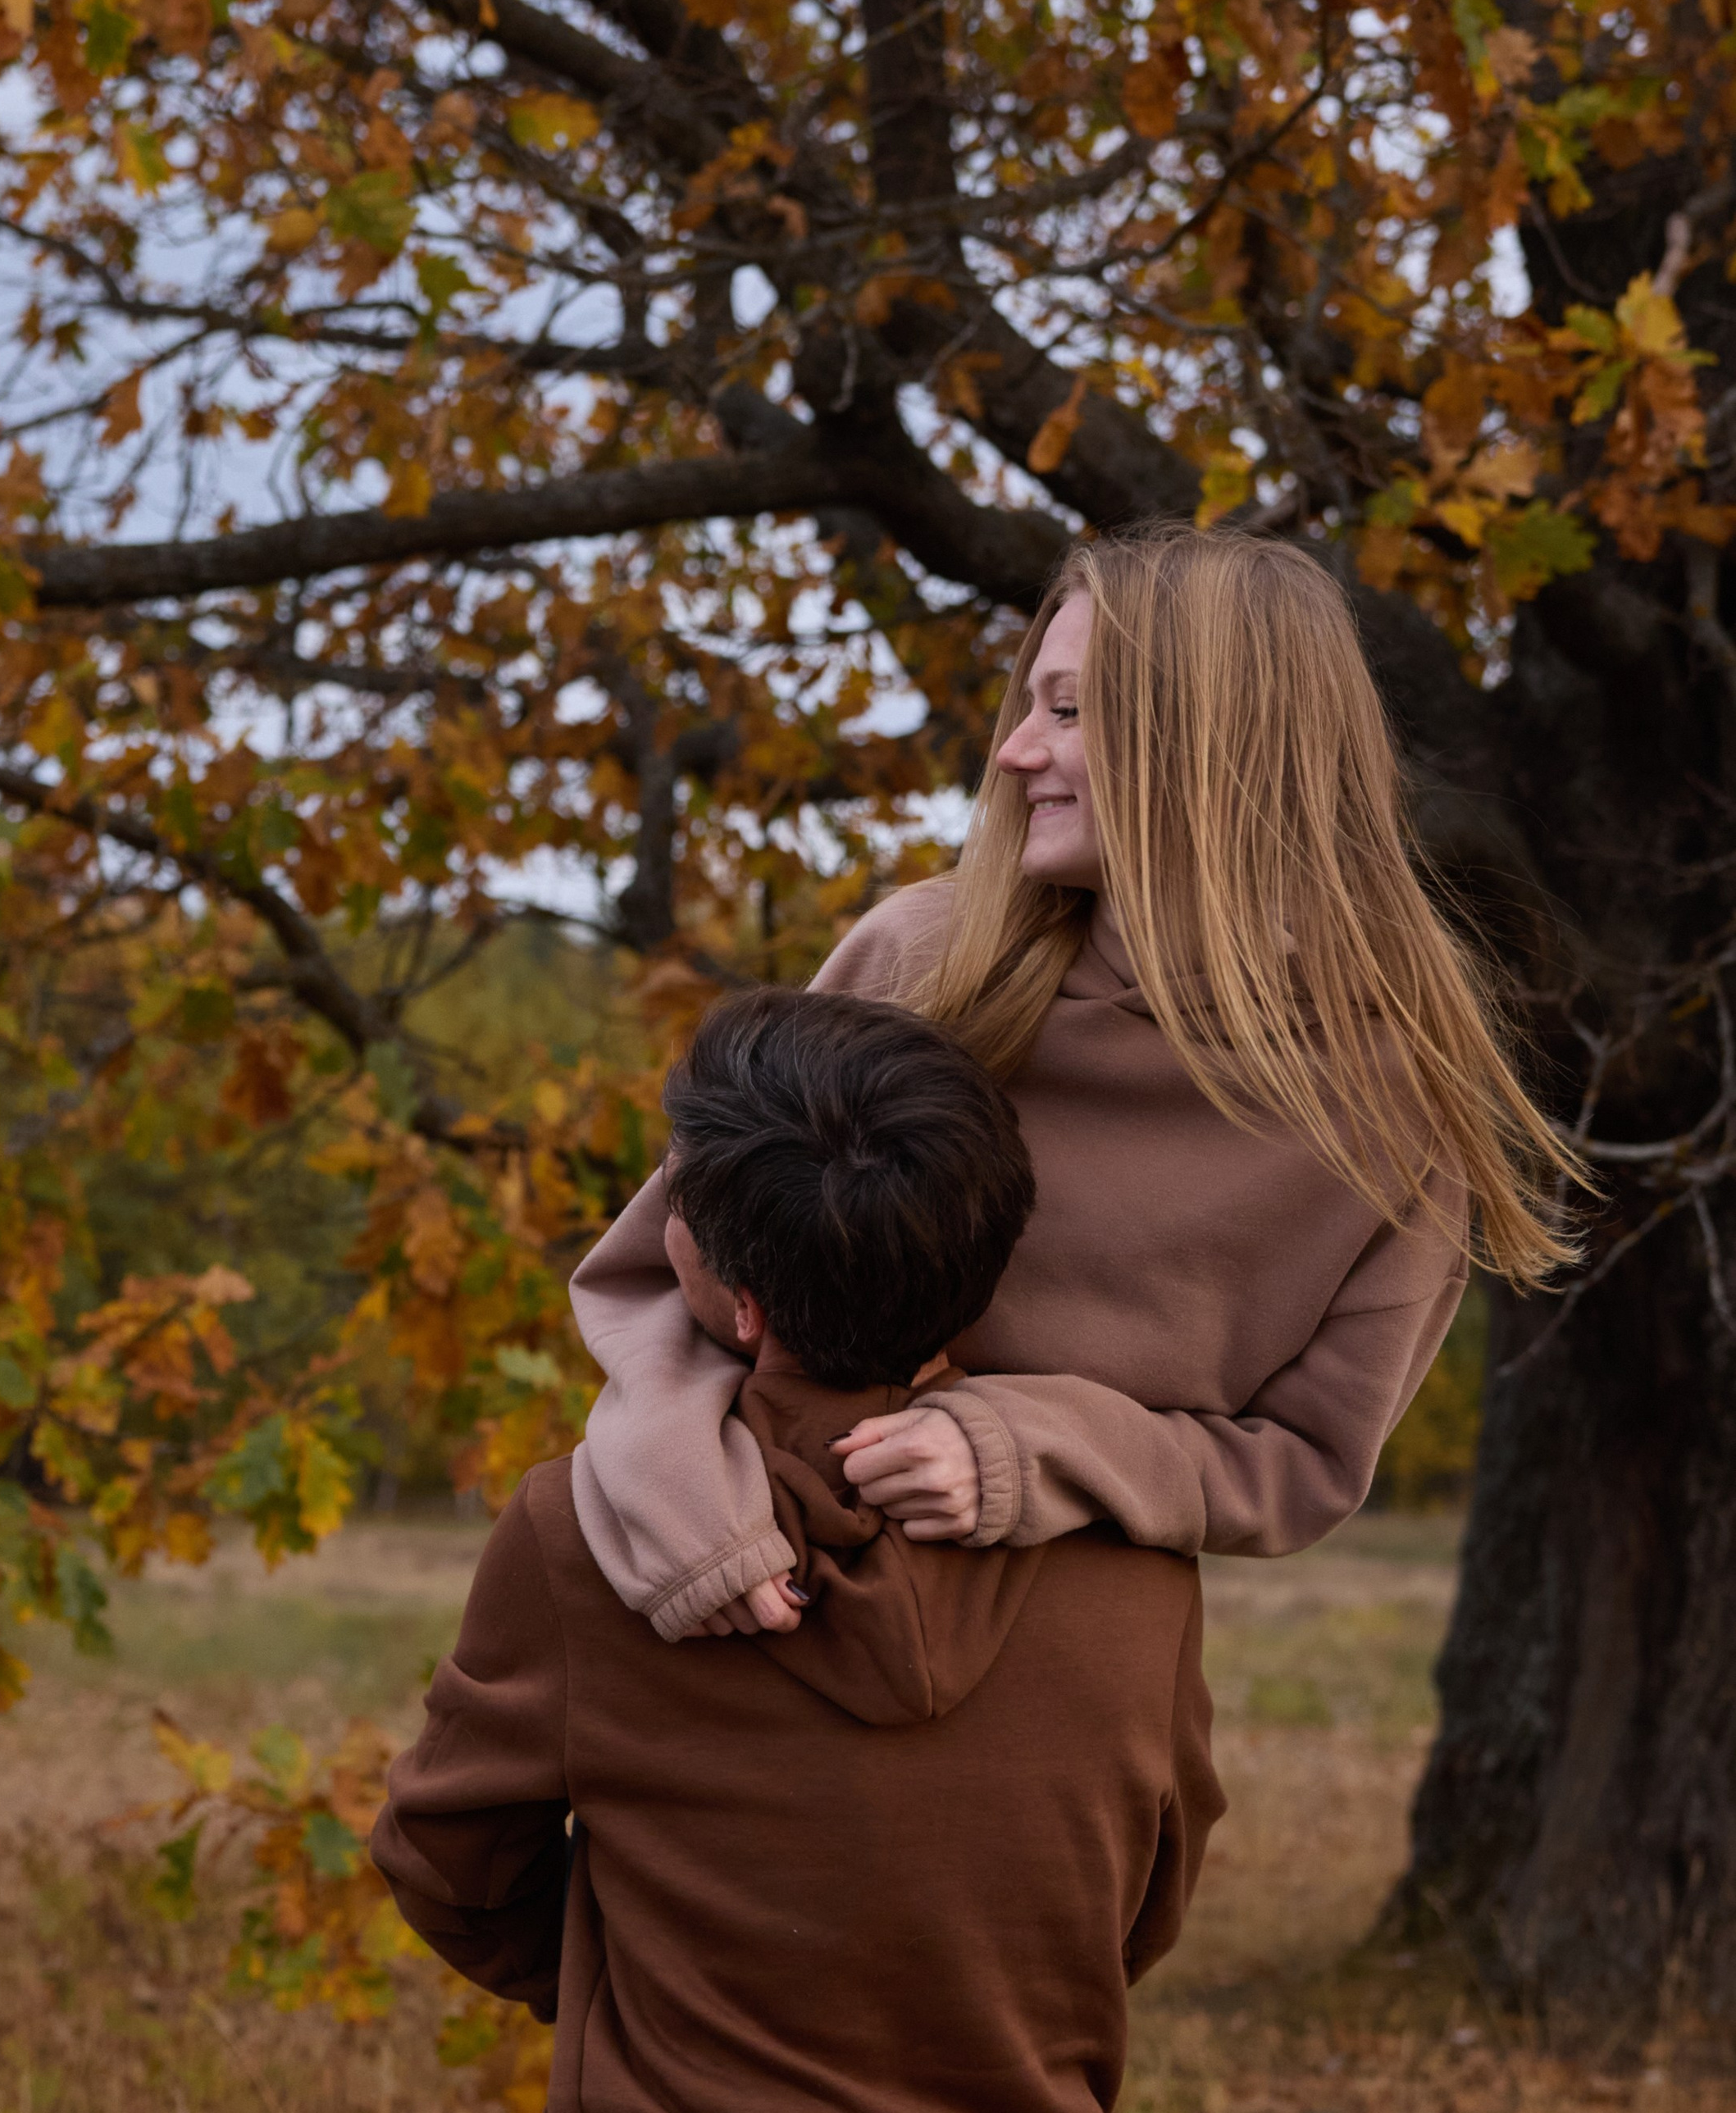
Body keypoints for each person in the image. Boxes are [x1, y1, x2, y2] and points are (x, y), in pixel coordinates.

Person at [568, 523, 1579, 1643]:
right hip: (758, 1594)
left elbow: (1305, 1465)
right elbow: (663, 1271)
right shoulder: (922, 961)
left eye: (1067, 710)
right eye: (1030, 706)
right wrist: (683, 1499)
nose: (1012, 753)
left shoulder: (1404, 1092)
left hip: (1076, 1669)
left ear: (1213, 742)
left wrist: (1029, 1445)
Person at [371, 985, 1223, 2113]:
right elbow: (1142, 1905)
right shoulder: (1137, 1567)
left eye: (681, 1207)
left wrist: (664, 1990)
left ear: (745, 1307)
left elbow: (445, 1860)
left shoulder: (580, 1541)